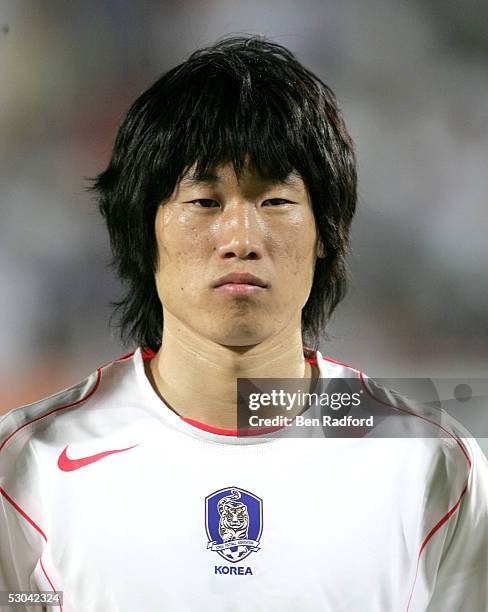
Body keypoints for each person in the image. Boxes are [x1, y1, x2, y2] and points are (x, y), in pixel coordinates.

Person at [0, 35, 487, 612]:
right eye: (205, 202)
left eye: (275, 201)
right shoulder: (25, 468)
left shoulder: (434, 464)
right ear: (142, 230)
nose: (241, 240)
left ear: (326, 233)